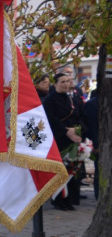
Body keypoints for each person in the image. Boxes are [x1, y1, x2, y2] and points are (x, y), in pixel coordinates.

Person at [43, 72, 86, 210]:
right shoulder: (50, 100)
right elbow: (51, 119)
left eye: (68, 81)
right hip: (59, 139)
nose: (66, 84)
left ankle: (69, 199)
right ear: (55, 84)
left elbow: (78, 115)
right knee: (60, 170)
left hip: (72, 138)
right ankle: (58, 199)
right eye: (62, 82)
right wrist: (66, 131)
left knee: (71, 169)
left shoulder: (71, 98)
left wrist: (77, 130)